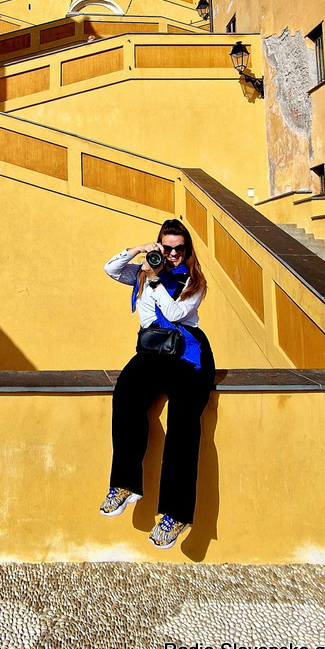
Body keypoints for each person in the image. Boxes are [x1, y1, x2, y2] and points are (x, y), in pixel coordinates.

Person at [100, 218, 215, 549]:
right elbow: (110, 268)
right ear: (159, 246)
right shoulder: (143, 270)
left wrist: (155, 281)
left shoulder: (194, 281)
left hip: (188, 354)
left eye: (180, 248)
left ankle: (176, 515)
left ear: (187, 250)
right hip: (153, 350)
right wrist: (140, 251)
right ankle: (124, 485)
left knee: (183, 422)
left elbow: (176, 314)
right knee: (125, 394)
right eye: (167, 248)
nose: (173, 254)